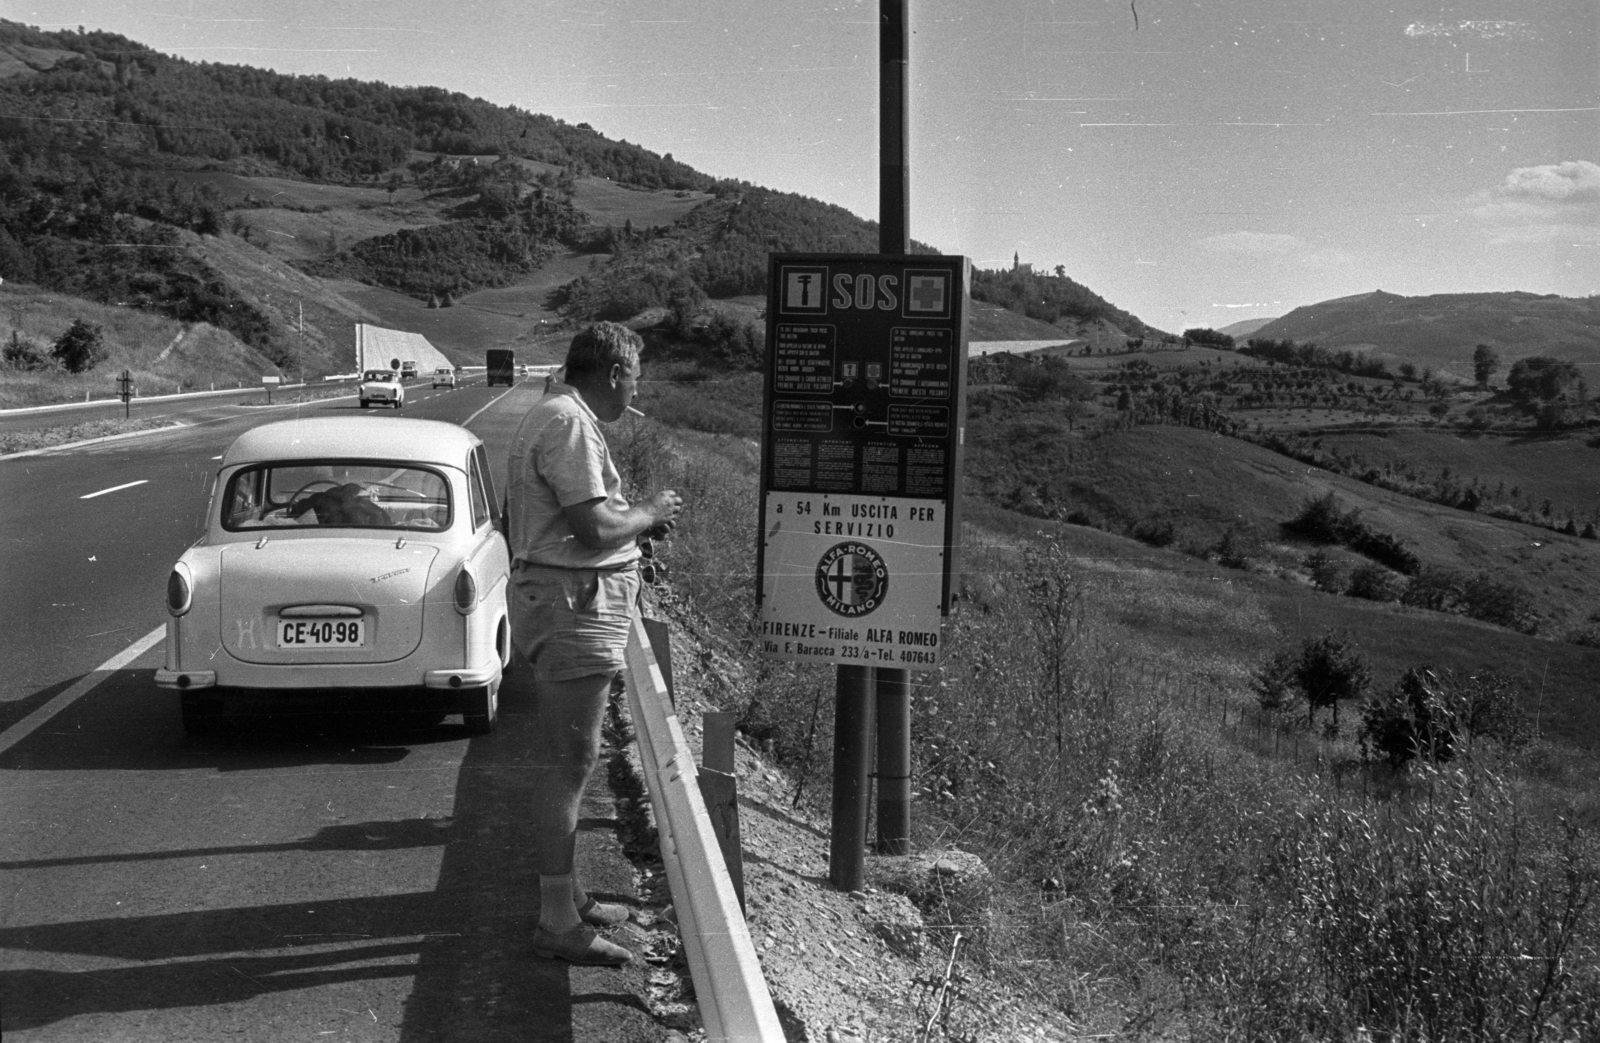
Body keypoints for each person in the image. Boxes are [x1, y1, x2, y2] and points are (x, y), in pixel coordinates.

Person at [504, 322, 683, 965]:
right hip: (573, 604)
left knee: (568, 758)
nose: (637, 389)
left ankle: (568, 897)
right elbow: (594, 525)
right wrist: (651, 513)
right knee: (569, 761)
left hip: (556, 599)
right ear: (614, 372)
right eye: (635, 376)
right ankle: (557, 923)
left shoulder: (549, 414)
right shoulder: (573, 425)